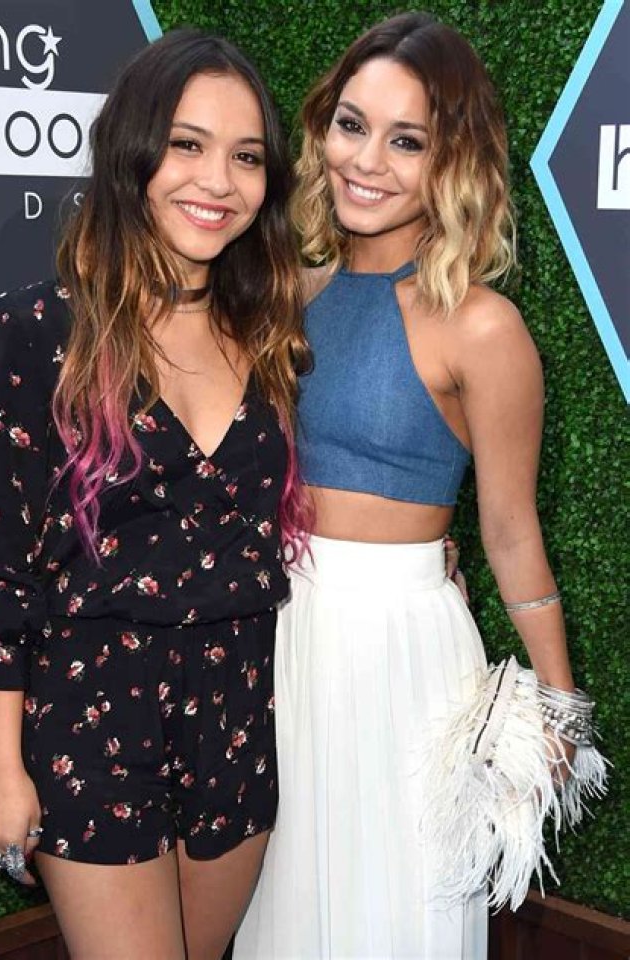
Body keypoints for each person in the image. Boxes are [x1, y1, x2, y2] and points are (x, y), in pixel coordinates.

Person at [0, 28, 311, 960]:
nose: (218, 181)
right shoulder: (37, 332)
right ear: (132, 151)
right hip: (91, 716)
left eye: (247, 157)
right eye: (187, 144)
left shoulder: (269, 335)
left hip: (236, 717)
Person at [235, 12, 581, 959]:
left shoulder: (482, 327)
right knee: (287, 906)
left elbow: (510, 530)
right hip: (280, 636)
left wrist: (558, 707)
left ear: (452, 161)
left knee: (394, 912)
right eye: (353, 125)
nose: (367, 161)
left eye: (407, 140)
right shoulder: (283, 296)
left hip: (404, 655)